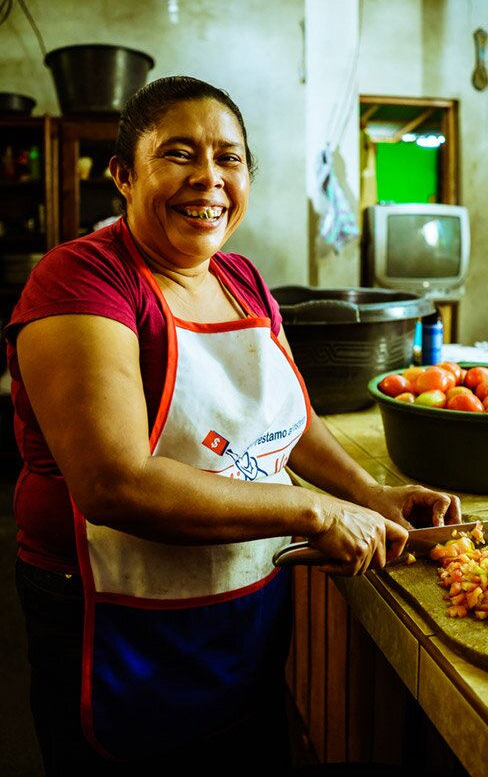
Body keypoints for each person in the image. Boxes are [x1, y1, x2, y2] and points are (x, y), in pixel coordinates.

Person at [5, 75, 461, 775]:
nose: (209, 179)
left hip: (243, 606)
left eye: (230, 158)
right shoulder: (81, 280)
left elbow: (290, 423)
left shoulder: (243, 279)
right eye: (180, 154)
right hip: (115, 615)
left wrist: (372, 494)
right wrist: (315, 509)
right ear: (123, 175)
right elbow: (113, 481)